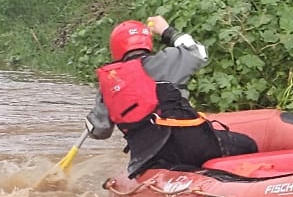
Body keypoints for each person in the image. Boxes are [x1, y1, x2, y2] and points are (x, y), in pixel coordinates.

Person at [87, 17, 257, 176]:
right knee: (248, 144)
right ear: (147, 43)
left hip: (150, 159)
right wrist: (166, 31)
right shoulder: (169, 60)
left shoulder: (109, 84)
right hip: (193, 145)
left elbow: (100, 131)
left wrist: (90, 124)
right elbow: (199, 52)